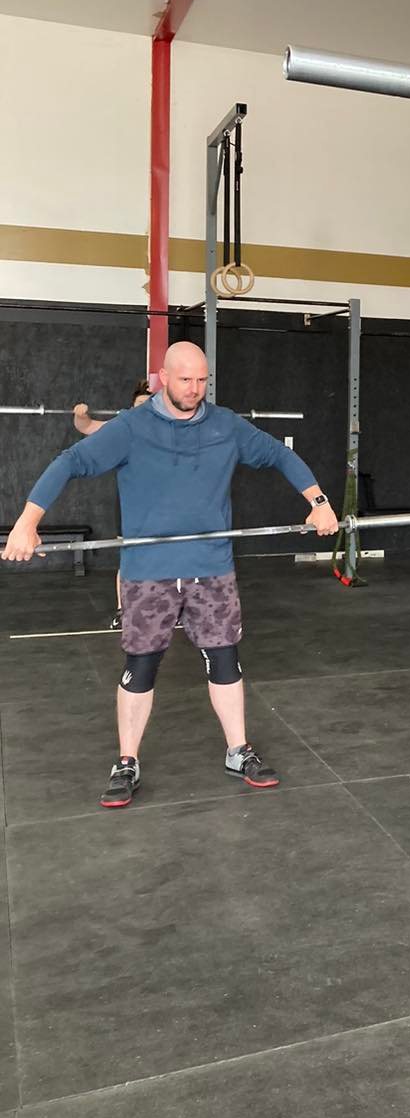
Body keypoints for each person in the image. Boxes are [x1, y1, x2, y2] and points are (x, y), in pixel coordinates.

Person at [2, 342, 339, 809]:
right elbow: (71, 462)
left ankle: (238, 751)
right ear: (163, 377)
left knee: (225, 660)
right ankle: (126, 762)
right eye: (185, 380)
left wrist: (318, 502)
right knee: (141, 667)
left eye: (202, 381)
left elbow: (280, 456)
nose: (195, 390)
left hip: (210, 568)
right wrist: (27, 522)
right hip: (148, 573)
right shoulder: (132, 427)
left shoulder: (226, 425)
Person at [73, 378, 152, 629]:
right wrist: (81, 415)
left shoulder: (166, 430)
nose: (142, 408)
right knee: (129, 559)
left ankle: (161, 608)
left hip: (160, 507)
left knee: (161, 557)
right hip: (130, 507)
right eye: (138, 404)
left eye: (147, 404)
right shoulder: (122, 427)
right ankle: (123, 610)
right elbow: (87, 427)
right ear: (131, 408)